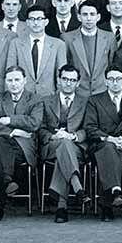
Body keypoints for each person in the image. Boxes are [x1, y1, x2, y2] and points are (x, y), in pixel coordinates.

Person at [0, 67, 44, 222]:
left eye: (17, 80)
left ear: (25, 80)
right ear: (5, 82)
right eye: (10, 80)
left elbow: (34, 123)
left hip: (22, 147)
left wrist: (10, 120)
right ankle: (7, 180)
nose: (14, 84)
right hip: (1, 142)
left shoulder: (35, 99)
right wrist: (14, 131)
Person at [83, 65, 122, 222]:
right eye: (111, 79)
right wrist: (110, 139)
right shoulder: (95, 100)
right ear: (105, 81)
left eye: (118, 79)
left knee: (112, 154)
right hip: (102, 144)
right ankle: (114, 193)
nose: (115, 83)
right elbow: (90, 128)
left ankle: (107, 203)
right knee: (108, 150)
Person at [40, 64, 89, 220]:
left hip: (76, 147)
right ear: (58, 80)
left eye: (72, 80)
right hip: (52, 145)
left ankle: (62, 206)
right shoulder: (46, 101)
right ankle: (76, 185)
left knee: (65, 148)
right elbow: (39, 129)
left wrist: (73, 136)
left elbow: (88, 129)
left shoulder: (85, 102)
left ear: (78, 83)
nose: (68, 83)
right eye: (65, 79)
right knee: (63, 146)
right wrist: (53, 136)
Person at [8, 7, 67, 99]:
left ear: (46, 21)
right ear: (27, 22)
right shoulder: (16, 43)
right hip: (22, 97)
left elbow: (61, 75)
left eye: (39, 19)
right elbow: (10, 72)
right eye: (32, 19)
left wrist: (58, 98)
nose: (36, 23)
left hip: (49, 97)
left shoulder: (58, 44)